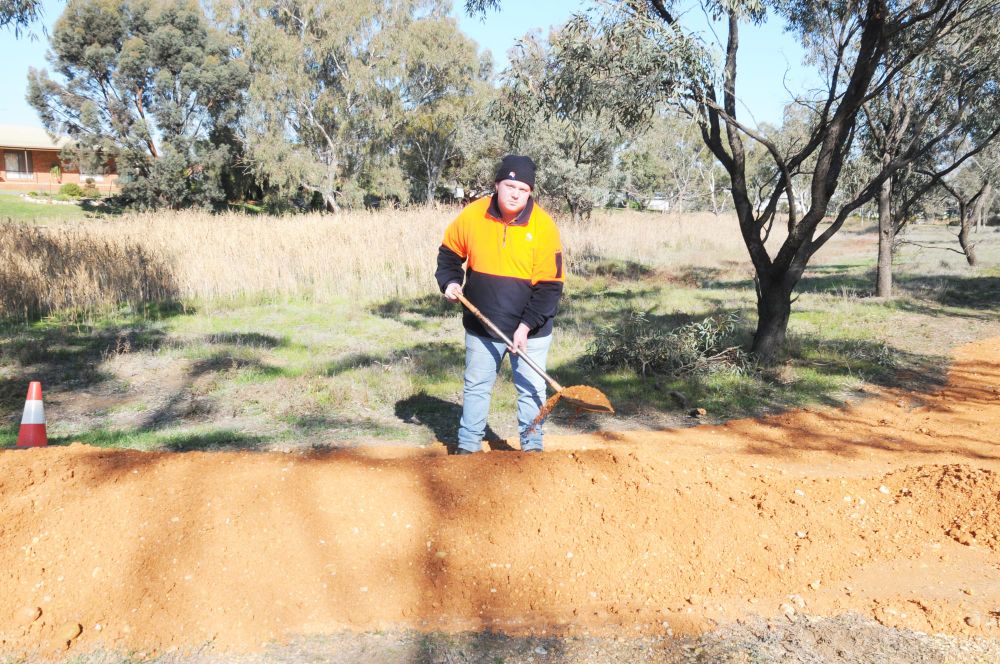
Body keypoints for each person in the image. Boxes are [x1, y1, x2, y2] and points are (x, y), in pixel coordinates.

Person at [435, 155, 564, 454]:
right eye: (510, 186)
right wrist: (450, 282)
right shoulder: (473, 215)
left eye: (523, 189)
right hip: (483, 325)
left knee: (531, 390)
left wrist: (525, 327)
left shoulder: (544, 227)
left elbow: (550, 287)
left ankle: (532, 450)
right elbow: (449, 253)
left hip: (530, 331)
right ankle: (468, 448)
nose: (515, 194)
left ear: (530, 192)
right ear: (497, 184)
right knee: (477, 387)